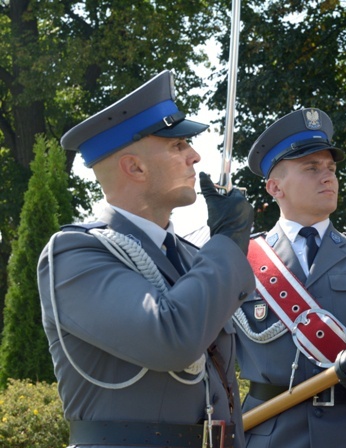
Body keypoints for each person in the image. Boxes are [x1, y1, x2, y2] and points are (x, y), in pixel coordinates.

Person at [37, 70, 256, 448]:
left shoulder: (191, 258)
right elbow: (171, 339)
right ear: (135, 167)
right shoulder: (73, 254)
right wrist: (227, 242)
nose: (195, 155)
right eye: (177, 146)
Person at [234, 108, 346, 448]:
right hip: (270, 436)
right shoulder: (240, 261)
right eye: (311, 168)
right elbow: (214, 365)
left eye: (331, 168)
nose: (328, 177)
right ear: (275, 187)